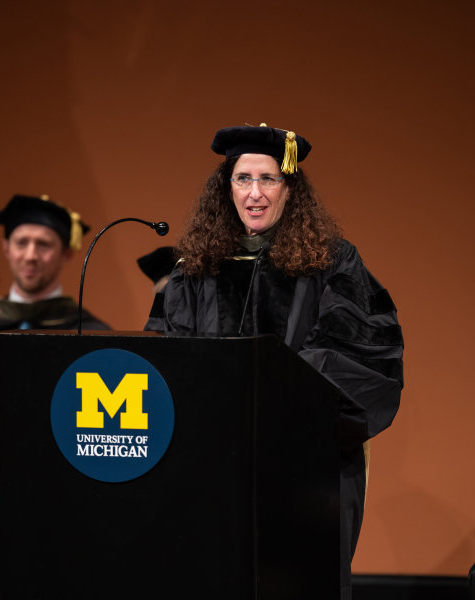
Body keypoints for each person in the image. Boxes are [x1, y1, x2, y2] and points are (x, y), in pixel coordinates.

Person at [144, 124, 404, 599]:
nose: (255, 193)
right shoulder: (195, 271)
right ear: (226, 190)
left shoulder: (333, 264)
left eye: (269, 179)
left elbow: (367, 359)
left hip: (305, 469)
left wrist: (264, 395)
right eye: (242, 179)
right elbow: (164, 360)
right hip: (210, 469)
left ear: (291, 189)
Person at [0, 194, 110, 331]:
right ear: (6, 249)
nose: (31, 256)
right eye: (21, 243)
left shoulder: (90, 332)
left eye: (44, 244)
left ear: (66, 255)